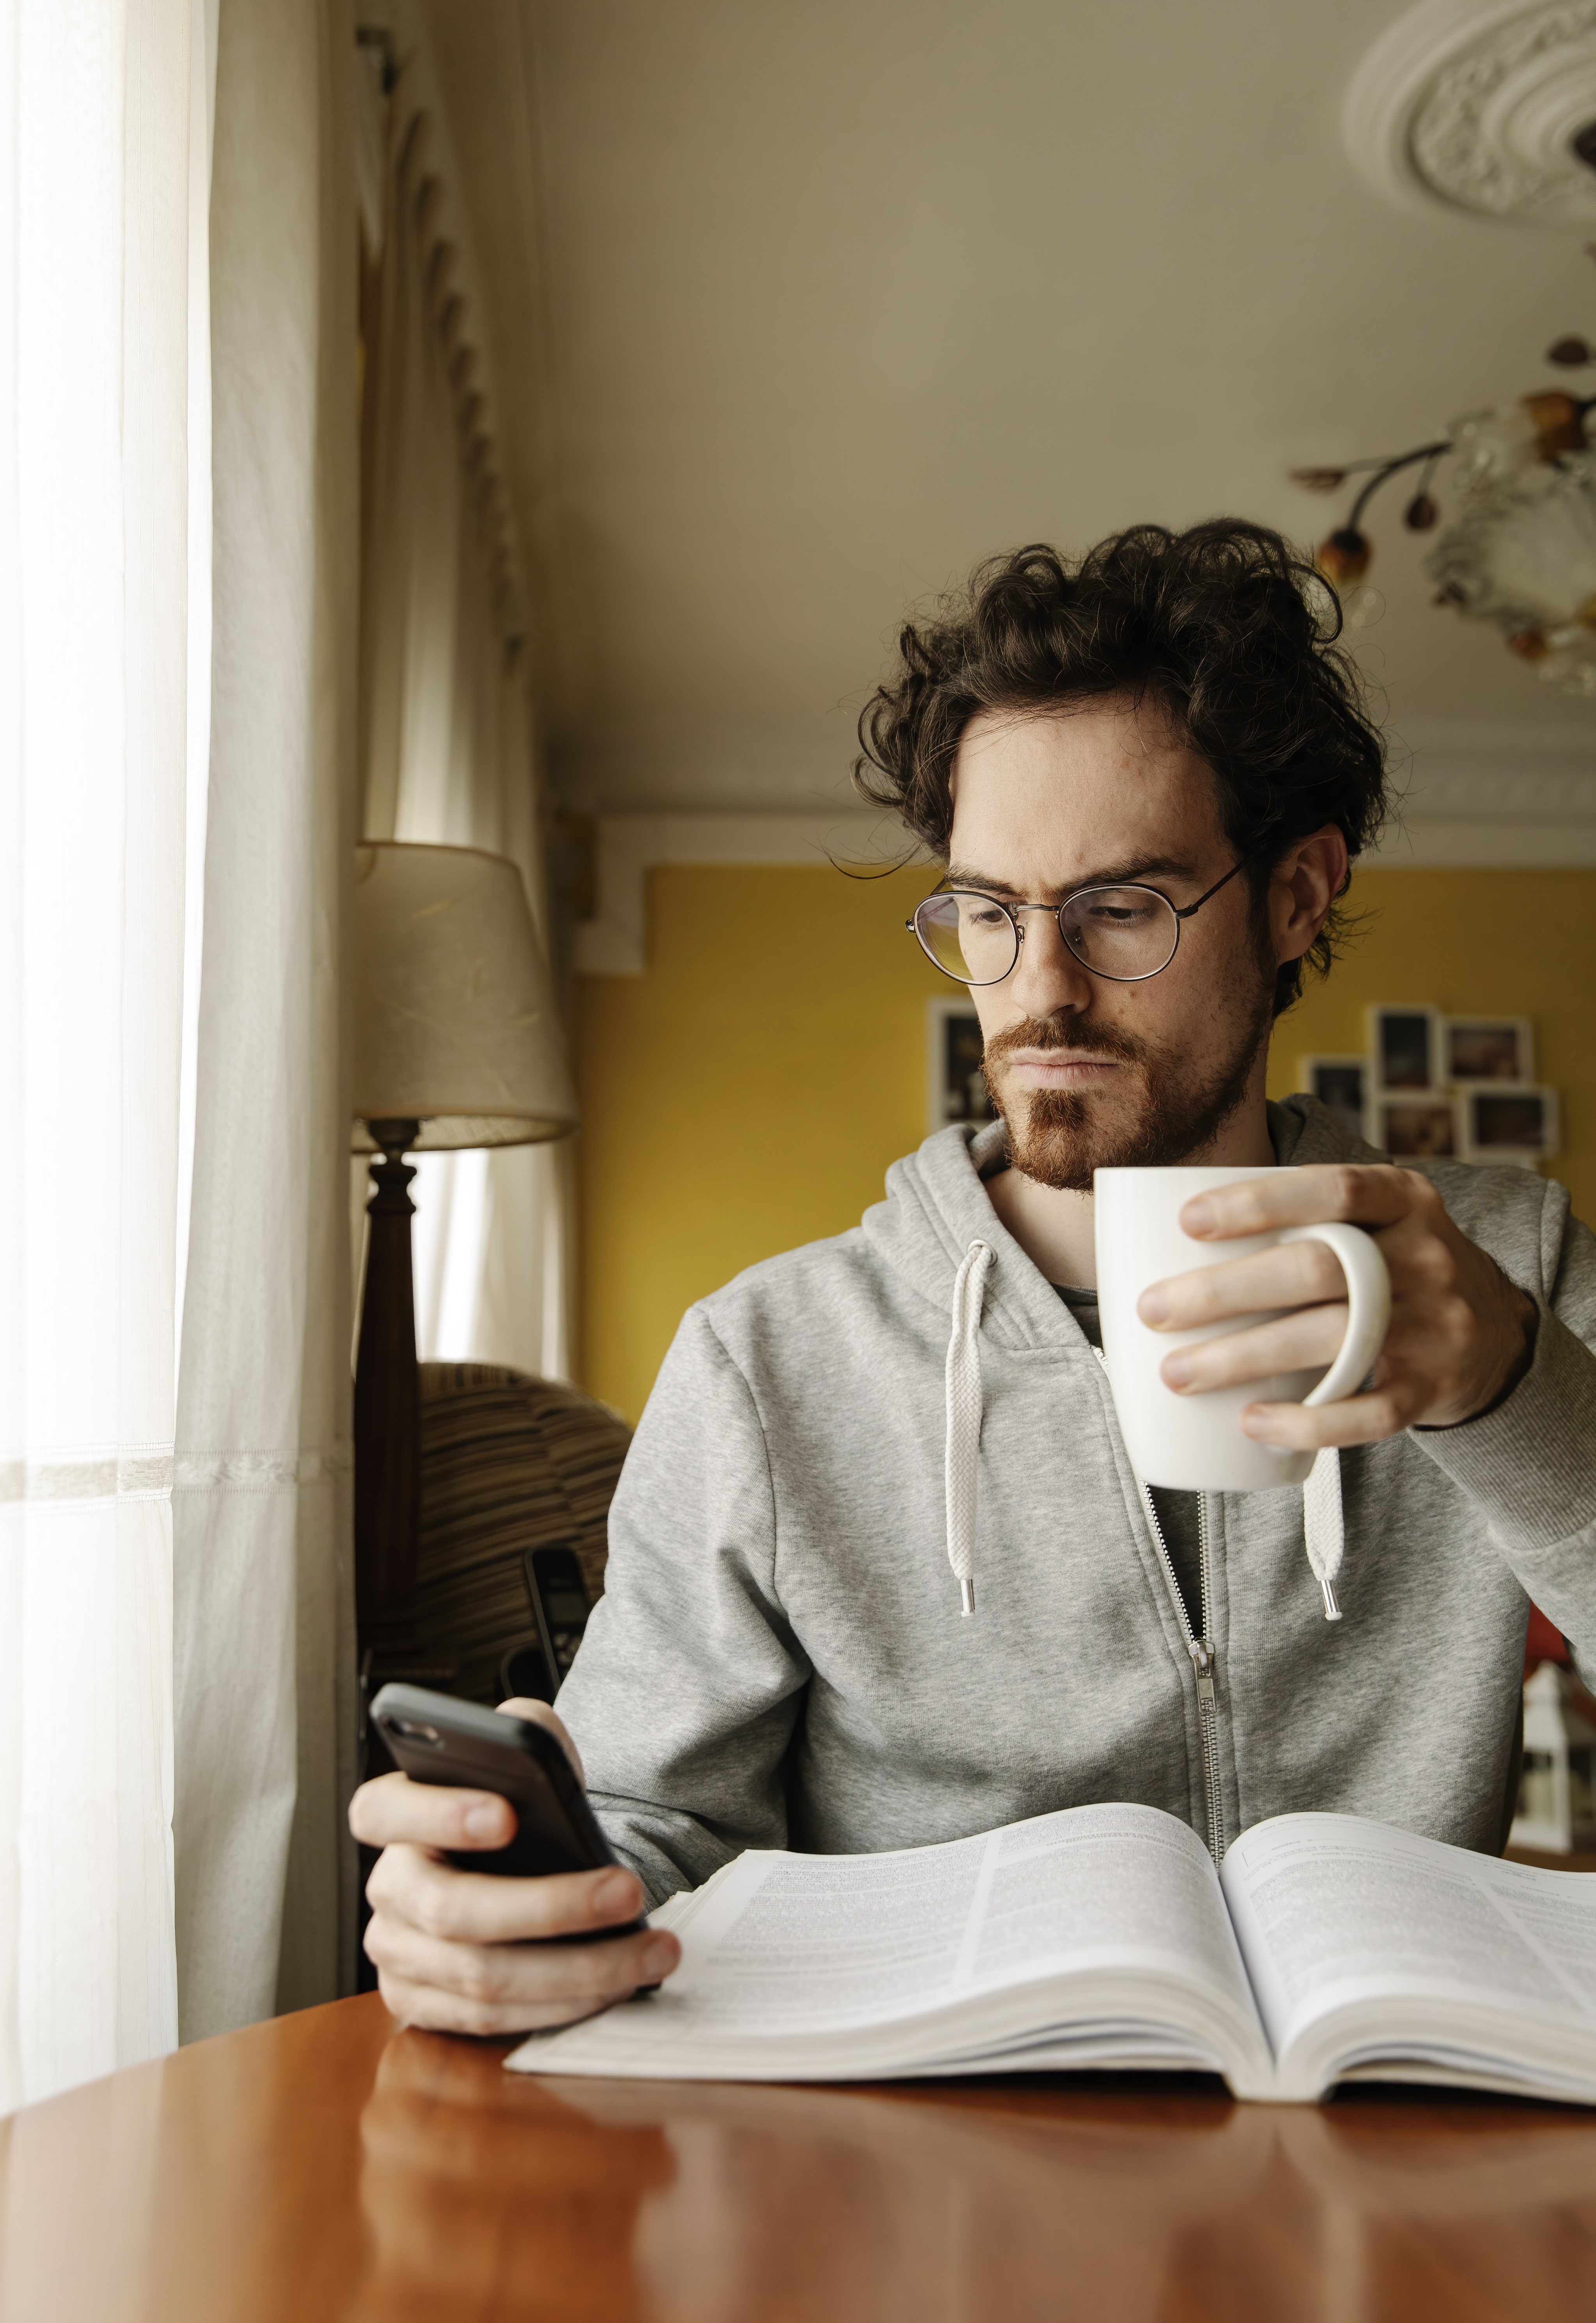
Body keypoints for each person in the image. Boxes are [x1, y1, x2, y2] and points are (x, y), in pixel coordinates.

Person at [352, 523, 1596, 2037]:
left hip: (1387, 2119)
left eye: (1124, 906)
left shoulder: (1501, 1271)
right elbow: (646, 1834)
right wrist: (505, 1912)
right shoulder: (770, 1357)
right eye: (991, 912)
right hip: (935, 2166)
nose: (1042, 987)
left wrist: (1520, 1393)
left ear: (1295, 897)